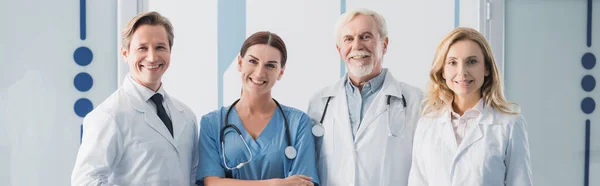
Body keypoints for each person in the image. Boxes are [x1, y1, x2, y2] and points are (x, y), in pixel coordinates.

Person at [71, 11, 199, 185]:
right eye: (142, 48)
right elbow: (85, 181)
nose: (152, 57)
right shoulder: (108, 115)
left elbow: (192, 178)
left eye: (160, 47)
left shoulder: (186, 115)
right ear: (125, 54)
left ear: (170, 51)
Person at [306, 8, 423, 186]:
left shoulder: (415, 100)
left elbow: (426, 168)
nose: (357, 46)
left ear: (384, 45)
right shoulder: (320, 102)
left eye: (366, 36)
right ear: (339, 50)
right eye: (348, 39)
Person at [408, 27, 532, 186]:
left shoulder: (510, 125)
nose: (462, 72)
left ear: (486, 68)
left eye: (472, 62)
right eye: (452, 62)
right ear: (443, 71)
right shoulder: (426, 125)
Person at [196, 31, 319, 186]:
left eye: (270, 65)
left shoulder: (298, 122)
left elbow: (303, 183)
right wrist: (274, 184)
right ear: (240, 63)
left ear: (280, 72)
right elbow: (212, 182)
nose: (260, 73)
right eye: (253, 62)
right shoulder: (212, 123)